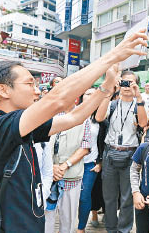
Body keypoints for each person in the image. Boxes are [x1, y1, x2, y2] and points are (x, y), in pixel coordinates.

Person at [0, 31, 148, 232]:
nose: (37, 90)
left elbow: (74, 117)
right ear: (3, 90)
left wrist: (107, 86)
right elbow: (57, 100)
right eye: (30, 84)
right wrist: (113, 56)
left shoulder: (21, 127)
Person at [95, 71, 148, 233]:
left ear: (136, 85)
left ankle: (124, 230)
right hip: (110, 153)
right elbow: (98, 117)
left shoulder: (138, 104)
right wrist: (110, 92)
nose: (126, 86)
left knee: (127, 197)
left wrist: (139, 98)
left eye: (130, 83)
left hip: (130, 154)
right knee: (109, 197)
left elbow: (143, 123)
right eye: (124, 82)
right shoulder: (112, 104)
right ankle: (111, 229)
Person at [45, 97, 90, 233]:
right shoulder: (48, 114)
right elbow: (41, 143)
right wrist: (51, 167)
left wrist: (64, 165)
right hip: (48, 175)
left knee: (68, 219)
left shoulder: (83, 117)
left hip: (71, 175)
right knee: (47, 218)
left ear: (76, 98)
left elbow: (85, 147)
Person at [77, 88, 107, 233]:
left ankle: (81, 227)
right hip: (72, 163)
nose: (90, 96)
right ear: (82, 96)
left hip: (90, 164)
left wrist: (100, 162)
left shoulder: (100, 119)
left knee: (84, 196)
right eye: (87, 93)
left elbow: (103, 143)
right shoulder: (74, 114)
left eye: (93, 94)